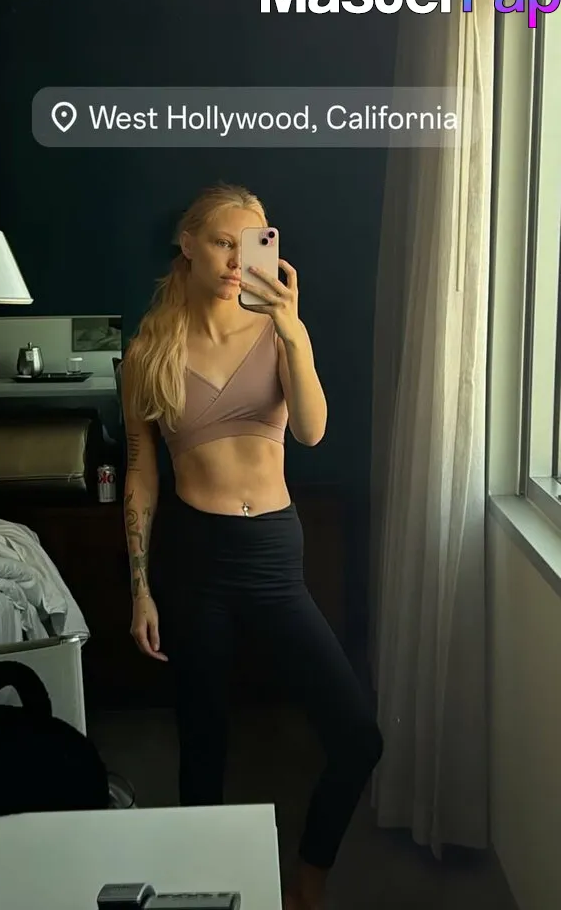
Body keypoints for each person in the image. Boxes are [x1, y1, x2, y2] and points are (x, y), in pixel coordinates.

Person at [120, 183, 383, 910]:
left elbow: (313, 432)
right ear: (188, 245)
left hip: (273, 556)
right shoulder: (148, 351)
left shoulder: (277, 333)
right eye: (222, 242)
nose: (238, 260)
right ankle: (206, 892)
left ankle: (307, 884)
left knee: (357, 737)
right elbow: (141, 473)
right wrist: (140, 588)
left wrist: (292, 331)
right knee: (202, 744)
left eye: (253, 243)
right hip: (194, 560)